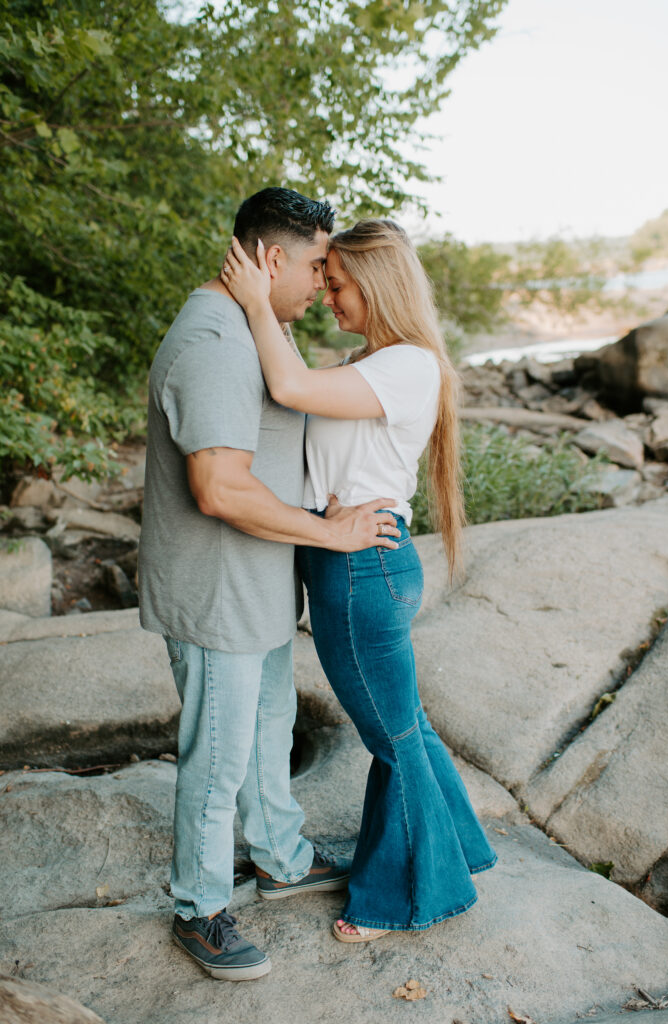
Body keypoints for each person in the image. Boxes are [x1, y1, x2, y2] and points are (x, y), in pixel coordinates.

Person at [138, 188, 402, 982]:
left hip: (256, 585)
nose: (325, 283)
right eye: (319, 265)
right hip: (217, 593)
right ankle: (200, 907)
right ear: (272, 258)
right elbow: (220, 489)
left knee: (266, 734)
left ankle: (281, 858)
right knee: (217, 761)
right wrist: (332, 532)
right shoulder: (214, 342)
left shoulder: (256, 329)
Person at [221, 218, 497, 943]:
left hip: (360, 567)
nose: (326, 294)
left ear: (375, 285)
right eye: (323, 279)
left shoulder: (405, 364)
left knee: (391, 738)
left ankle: (405, 896)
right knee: (405, 723)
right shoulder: (375, 360)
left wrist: (255, 300)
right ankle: (459, 848)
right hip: (353, 559)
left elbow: (288, 383)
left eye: (337, 283)